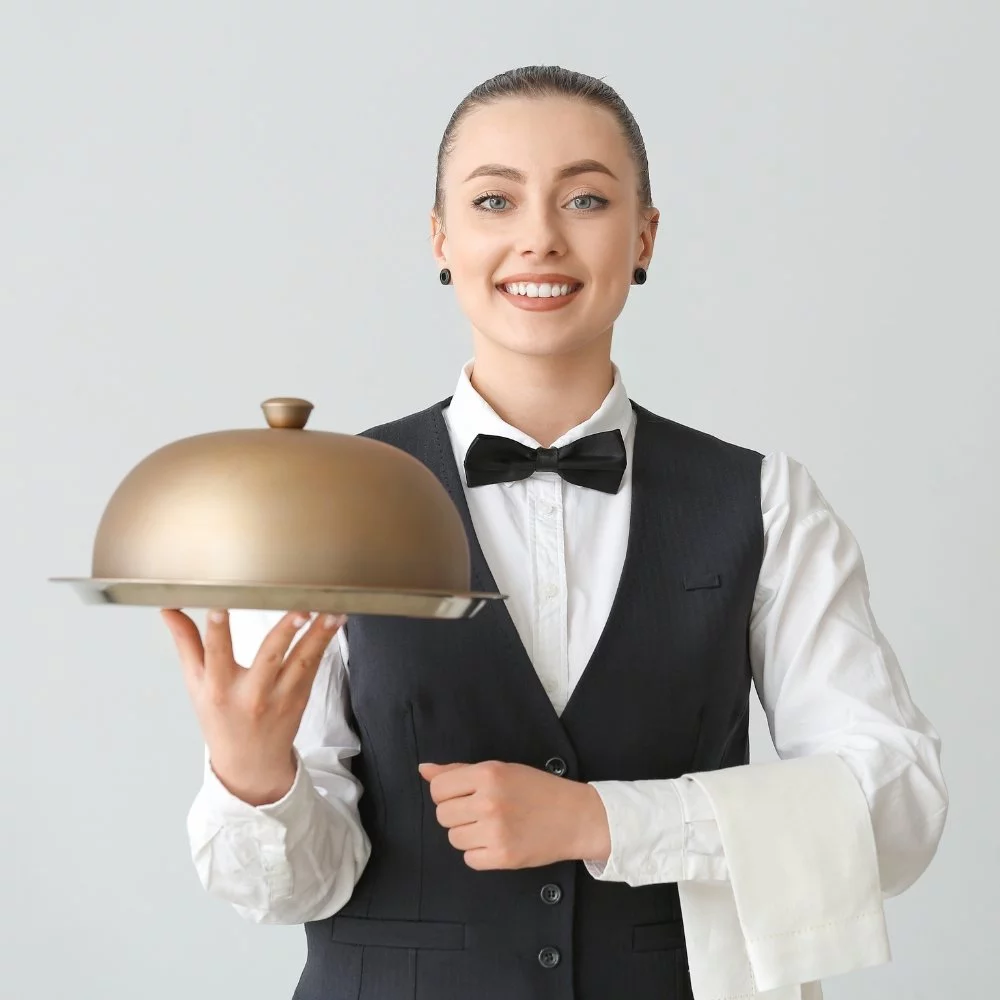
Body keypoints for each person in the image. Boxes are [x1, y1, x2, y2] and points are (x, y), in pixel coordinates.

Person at [161, 65, 948, 1000]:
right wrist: (256, 780)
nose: (539, 237)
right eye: (495, 200)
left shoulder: (768, 500)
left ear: (644, 235)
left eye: (585, 199)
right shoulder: (328, 501)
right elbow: (294, 887)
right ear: (442, 237)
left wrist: (605, 822)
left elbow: (897, 804)